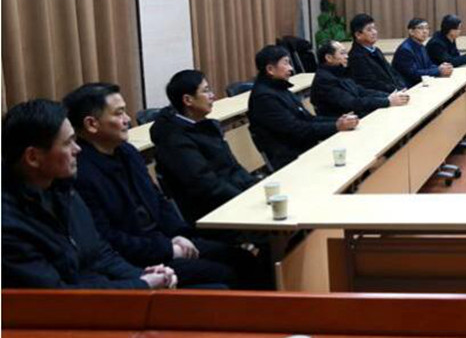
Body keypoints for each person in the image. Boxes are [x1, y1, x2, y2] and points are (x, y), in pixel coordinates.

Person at [66, 83, 264, 289]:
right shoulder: (81, 174)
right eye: (119, 113)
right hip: (138, 262)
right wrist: (168, 249)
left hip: (165, 241)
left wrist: (177, 235)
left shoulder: (127, 152)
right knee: (226, 273)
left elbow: (158, 201)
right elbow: (109, 239)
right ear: (92, 124)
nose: (127, 119)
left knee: (242, 258)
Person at [2, 99, 177, 290]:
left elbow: (100, 254)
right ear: (33, 157)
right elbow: (56, 296)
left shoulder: (64, 190)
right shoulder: (9, 225)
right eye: (67, 143)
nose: (77, 149)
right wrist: (141, 285)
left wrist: (141, 275)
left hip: (106, 293)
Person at [152, 70, 259, 226]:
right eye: (206, 91)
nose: (213, 96)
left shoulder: (207, 126)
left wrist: (255, 188)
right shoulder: (175, 141)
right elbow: (207, 186)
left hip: (233, 200)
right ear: (188, 100)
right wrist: (245, 200)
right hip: (213, 214)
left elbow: (233, 167)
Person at [249, 45, 358, 169]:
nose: (291, 68)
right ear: (270, 69)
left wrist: (339, 120)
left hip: (304, 147)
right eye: (286, 63)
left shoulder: (279, 88)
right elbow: (297, 129)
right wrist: (336, 126)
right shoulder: (264, 98)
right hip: (290, 158)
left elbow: (308, 118)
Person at [312, 40, 409, 118]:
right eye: (342, 53)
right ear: (329, 58)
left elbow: (361, 91)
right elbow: (352, 103)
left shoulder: (339, 71)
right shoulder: (325, 80)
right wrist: (387, 101)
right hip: (340, 124)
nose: (347, 56)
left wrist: (388, 96)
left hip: (355, 116)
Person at [346, 13, 407, 93]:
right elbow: (371, 84)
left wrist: (402, 86)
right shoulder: (356, 57)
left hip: (395, 92)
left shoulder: (376, 51)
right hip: (380, 96)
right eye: (369, 30)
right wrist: (395, 89)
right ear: (358, 35)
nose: (374, 32)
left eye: (374, 28)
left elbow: (392, 72)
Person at [392, 18, 453, 86]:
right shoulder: (405, 50)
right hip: (408, 88)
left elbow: (428, 65)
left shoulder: (421, 47)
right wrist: (438, 71)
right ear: (411, 32)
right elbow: (414, 74)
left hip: (420, 84)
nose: (425, 31)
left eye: (427, 28)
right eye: (421, 28)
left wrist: (442, 68)